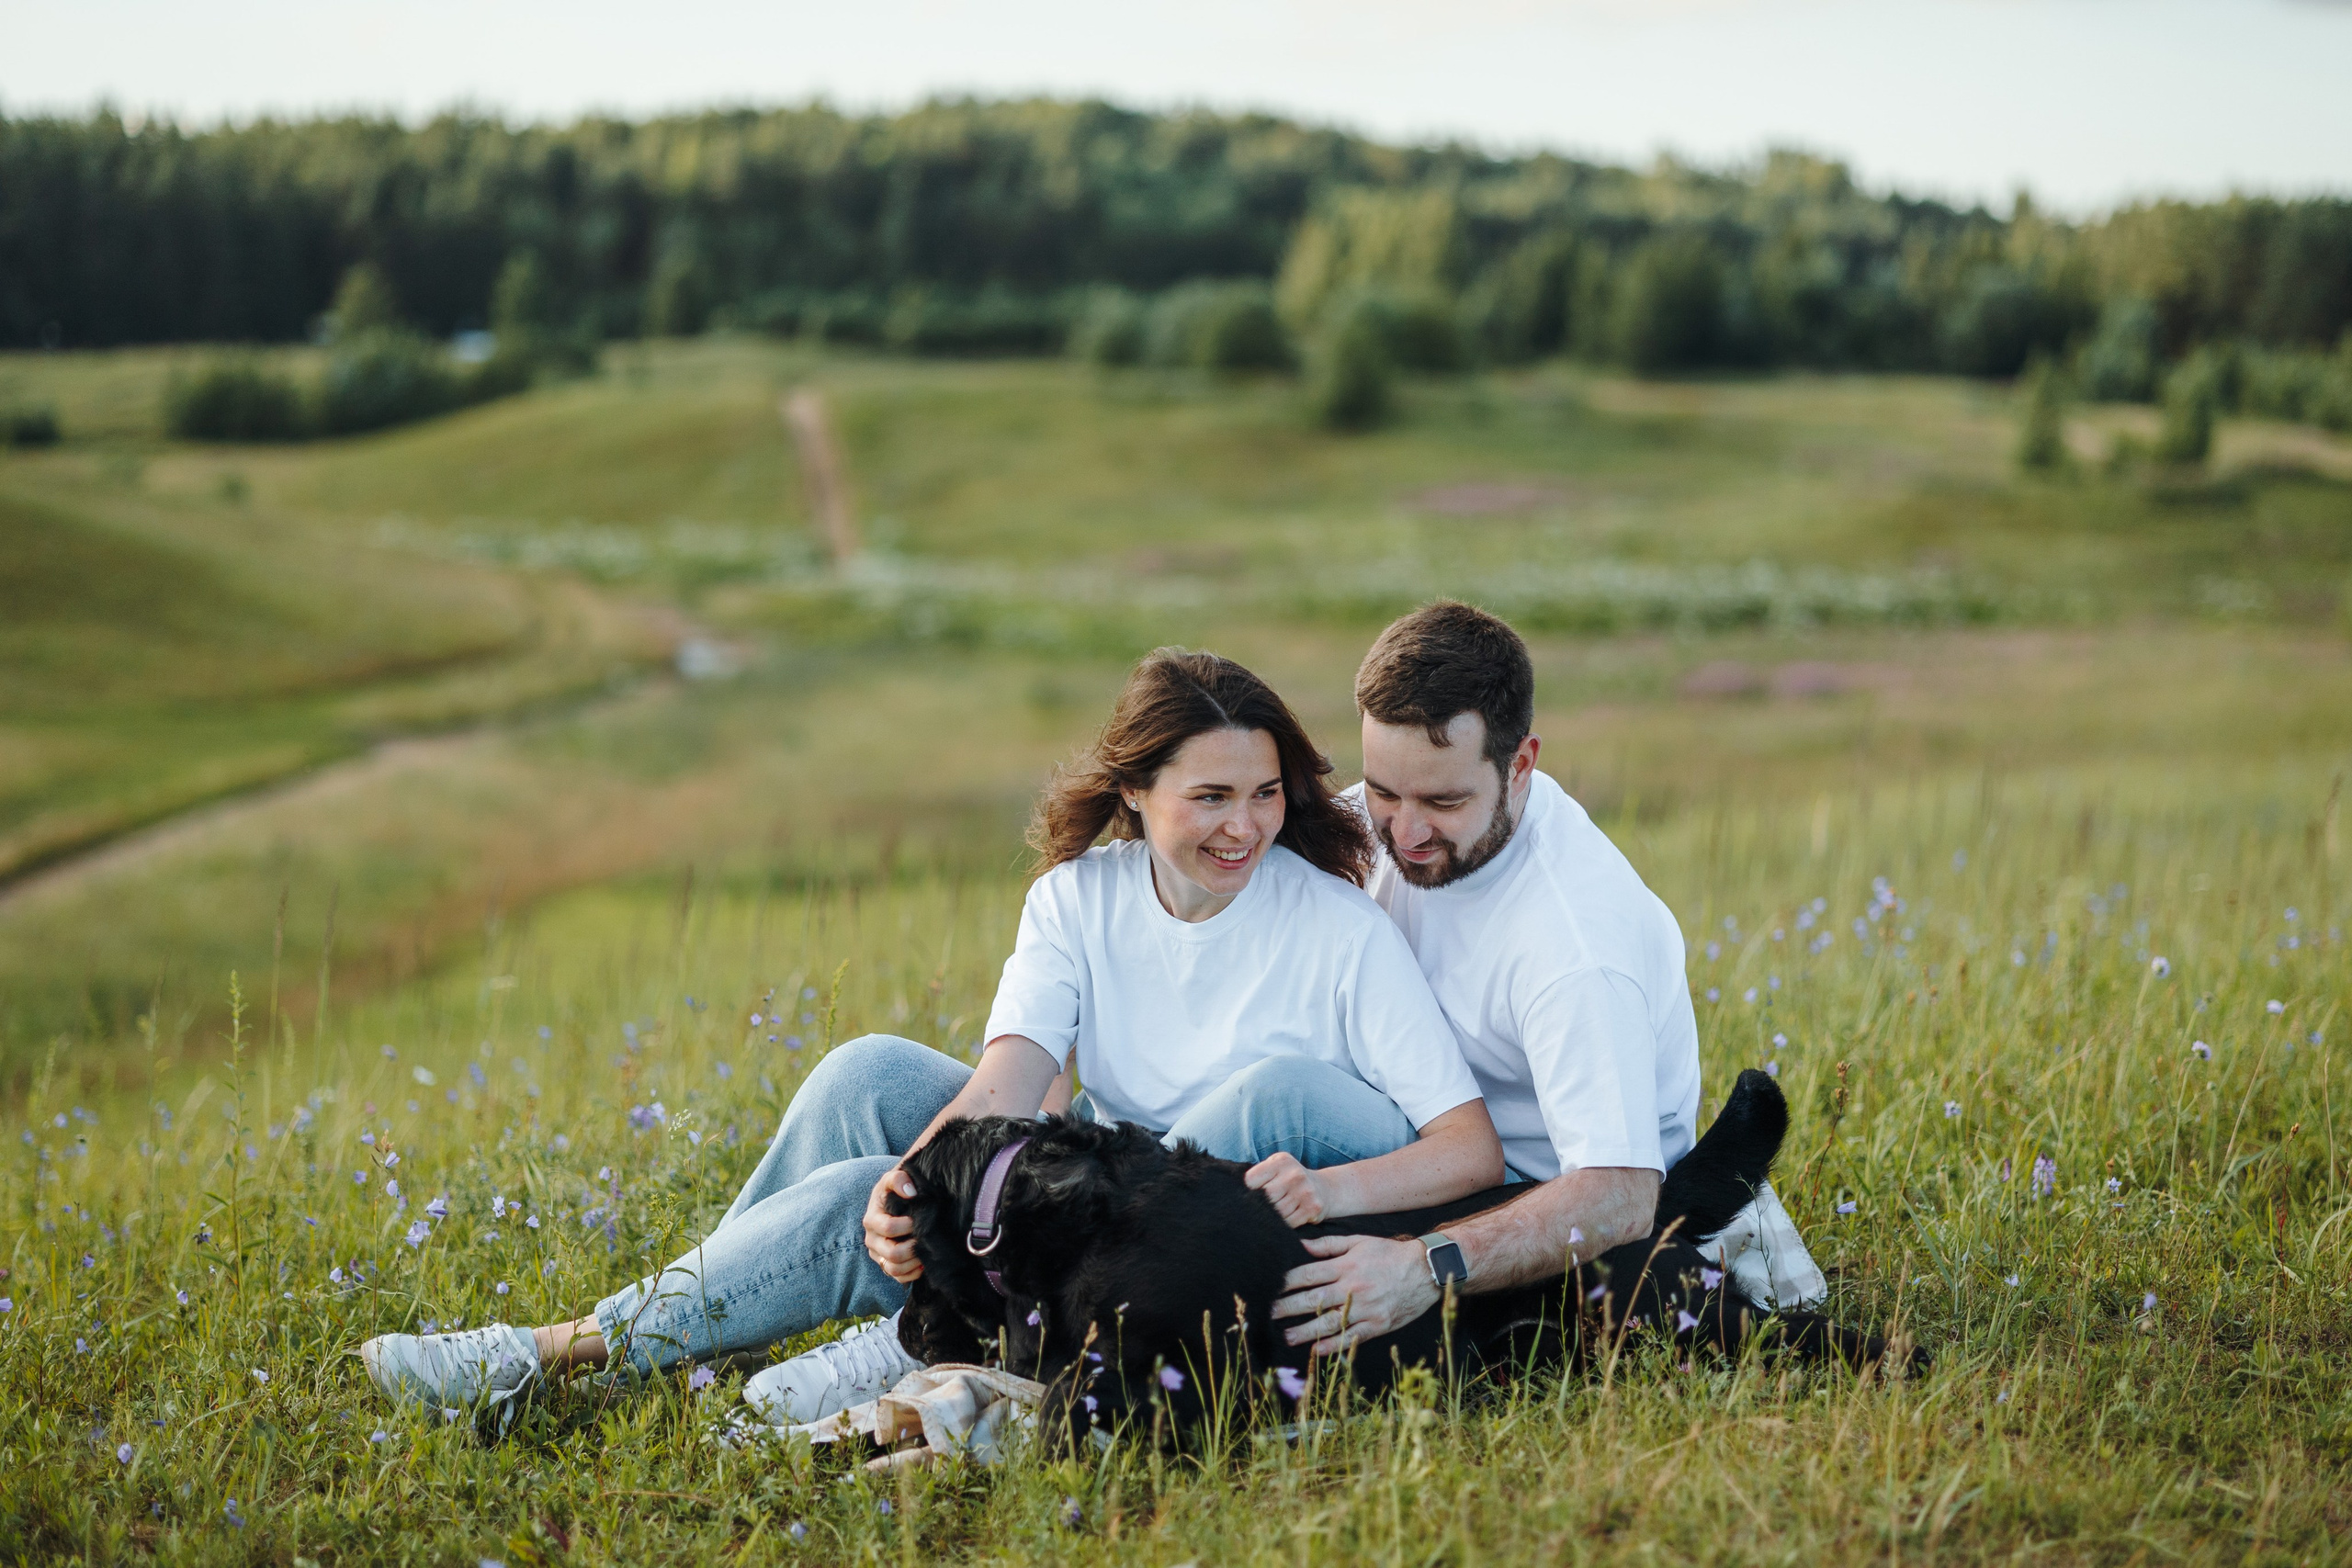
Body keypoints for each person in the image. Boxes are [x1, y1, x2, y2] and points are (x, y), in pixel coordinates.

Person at [358, 649, 1502, 1427]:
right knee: (870, 1084)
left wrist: (1337, 1189)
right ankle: (695, 1316)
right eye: (1209, 797)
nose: (1245, 825)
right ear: (1136, 794)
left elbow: (1467, 1150)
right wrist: (915, 1183)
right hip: (1110, 1183)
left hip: (1238, 1224)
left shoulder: (1335, 929)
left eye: (1262, 793)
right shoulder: (1078, 899)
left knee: (1252, 1093)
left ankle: (555, 1354)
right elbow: (1012, 1073)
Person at [1270, 602, 1823, 1357]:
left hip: (1550, 1196)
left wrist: (1424, 1265)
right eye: (1385, 792)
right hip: (1412, 1140)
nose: (1402, 831)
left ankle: (1713, 1243)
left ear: (1520, 765)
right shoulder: (1384, 821)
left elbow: (1617, 1194)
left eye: (1443, 801)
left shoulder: (1571, 944)